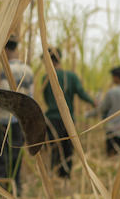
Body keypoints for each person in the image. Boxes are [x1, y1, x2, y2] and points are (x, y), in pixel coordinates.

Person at [0, 34, 35, 196]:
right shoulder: (28, 70)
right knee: (15, 158)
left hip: (7, 121)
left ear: (5, 49)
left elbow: (3, 98)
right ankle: (15, 189)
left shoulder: (7, 70)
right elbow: (30, 99)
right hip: (21, 122)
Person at [41, 47, 95, 179]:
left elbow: (46, 98)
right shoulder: (71, 76)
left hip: (51, 119)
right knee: (67, 149)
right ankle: (65, 176)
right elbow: (81, 93)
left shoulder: (45, 78)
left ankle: (52, 175)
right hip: (68, 120)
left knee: (54, 147)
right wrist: (93, 102)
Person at [96, 65, 120, 156]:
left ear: (115, 77)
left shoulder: (112, 92)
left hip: (113, 130)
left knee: (111, 157)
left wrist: (88, 114)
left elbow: (102, 108)